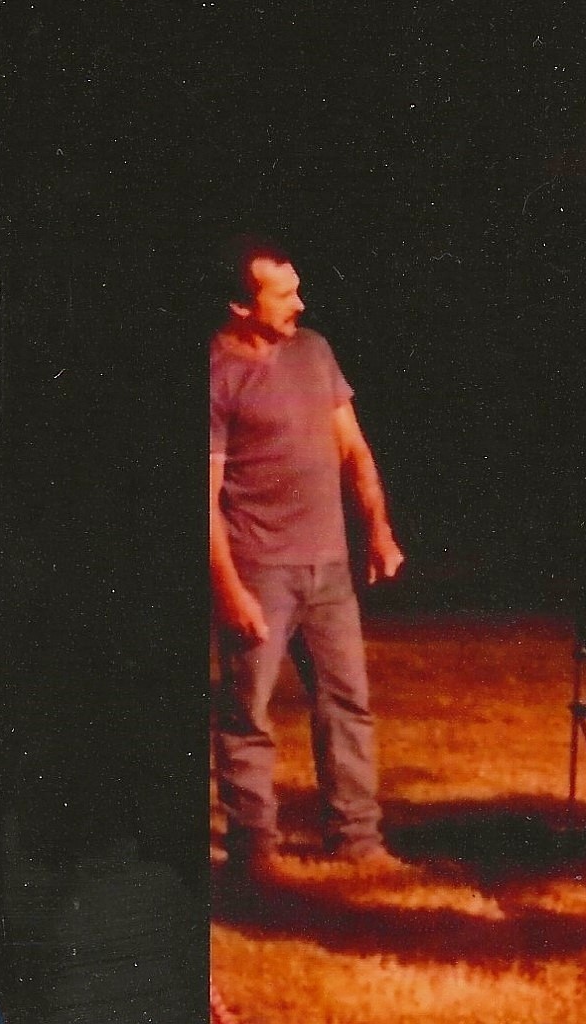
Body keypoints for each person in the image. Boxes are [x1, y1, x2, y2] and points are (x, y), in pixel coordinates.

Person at [210, 235, 406, 882]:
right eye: (283, 294)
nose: (300, 303)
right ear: (242, 305)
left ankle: (357, 840)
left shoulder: (314, 351)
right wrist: (231, 590)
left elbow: (354, 449)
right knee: (247, 715)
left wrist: (378, 530)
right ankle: (254, 851)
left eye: (298, 289)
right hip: (259, 570)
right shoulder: (216, 373)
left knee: (347, 704)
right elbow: (204, 501)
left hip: (329, 567)